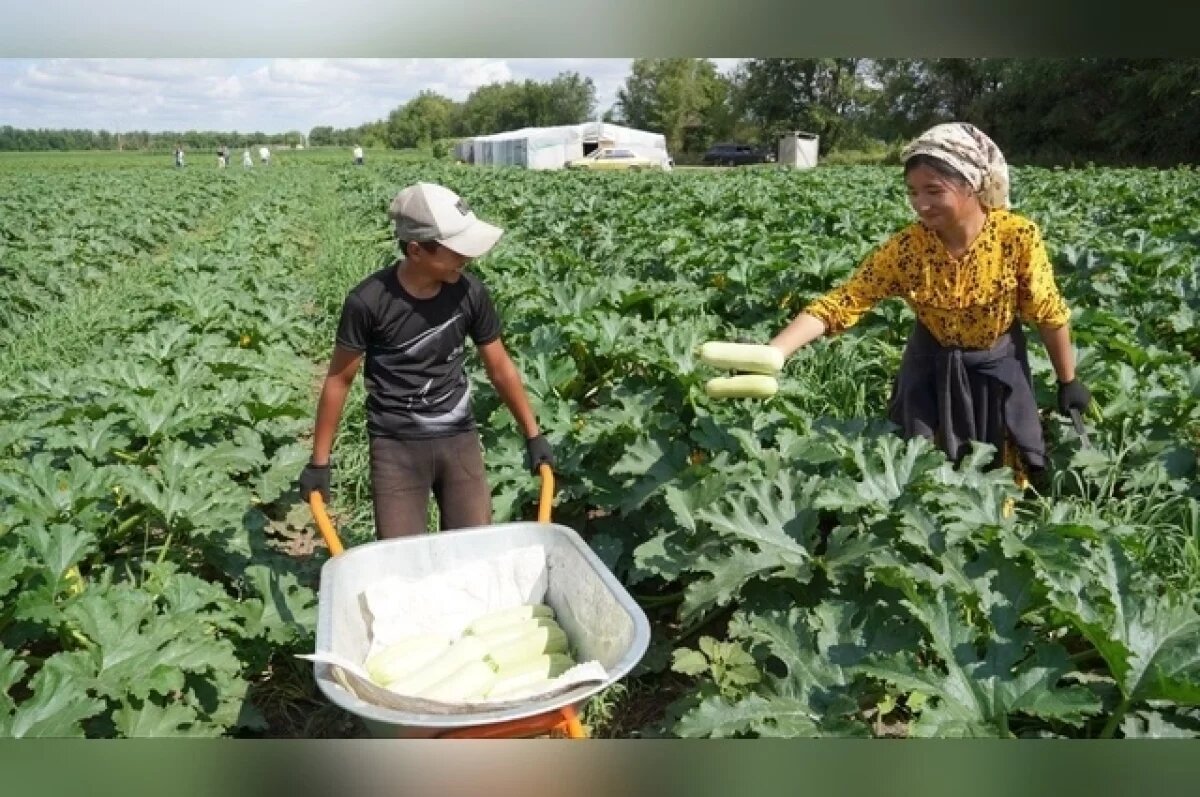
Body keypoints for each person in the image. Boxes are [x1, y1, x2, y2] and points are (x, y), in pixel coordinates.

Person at [767, 122, 1090, 489]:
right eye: (913, 192)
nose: (921, 204)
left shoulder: (1016, 237)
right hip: (929, 375)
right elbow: (843, 301)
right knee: (923, 481)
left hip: (995, 375)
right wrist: (776, 352)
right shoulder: (907, 249)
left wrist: (1068, 380)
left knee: (996, 484)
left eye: (934, 191)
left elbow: (1048, 313)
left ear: (972, 184)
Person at [299, 182, 554, 539]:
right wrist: (319, 462)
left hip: (459, 440)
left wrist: (533, 434)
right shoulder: (368, 302)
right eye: (456, 250)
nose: (467, 258)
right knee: (404, 557)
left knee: (472, 550)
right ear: (416, 250)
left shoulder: (469, 292)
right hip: (396, 448)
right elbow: (339, 380)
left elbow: (499, 368)